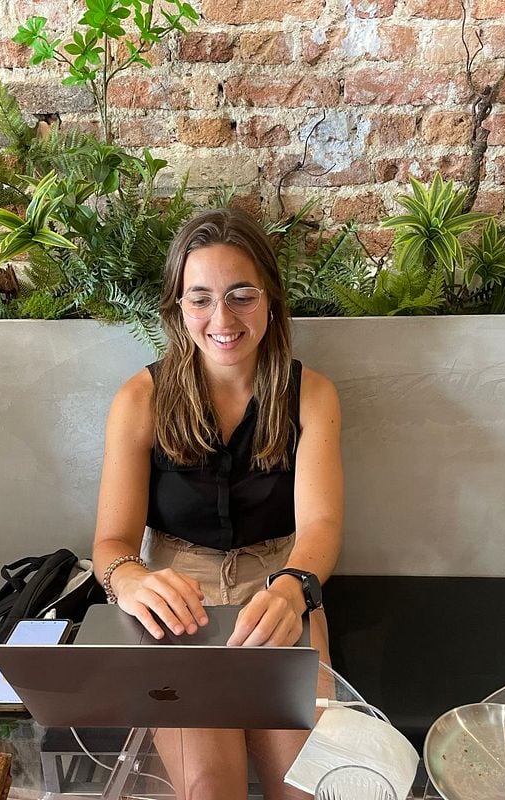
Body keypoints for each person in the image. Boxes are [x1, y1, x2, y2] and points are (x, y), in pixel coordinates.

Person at [92, 207, 343, 800]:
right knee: (210, 788)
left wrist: (293, 587)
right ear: (178, 308)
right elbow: (111, 544)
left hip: (281, 588)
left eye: (241, 295)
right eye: (200, 298)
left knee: (309, 788)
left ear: (271, 301)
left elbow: (323, 524)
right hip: (181, 603)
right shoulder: (139, 398)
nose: (221, 318)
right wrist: (129, 581)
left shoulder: (312, 394)